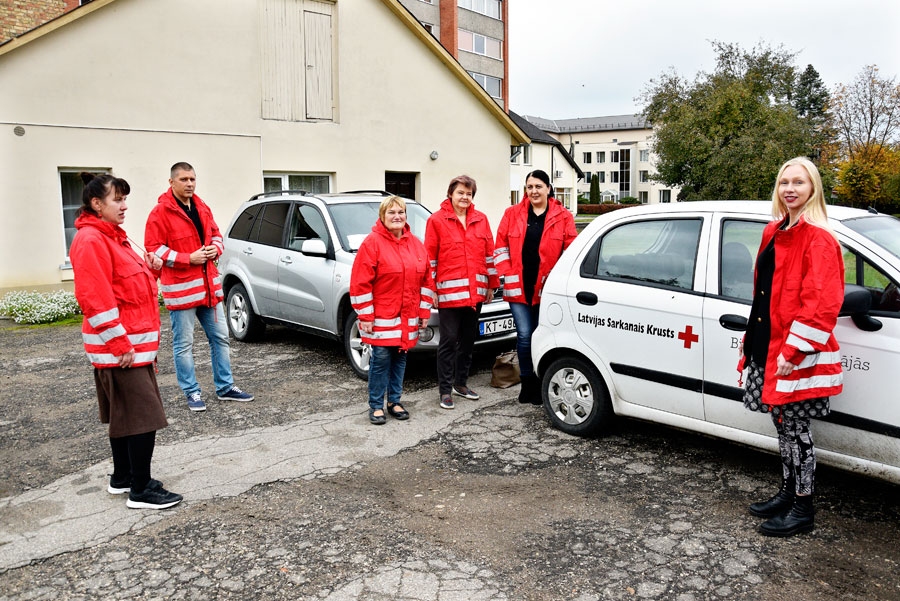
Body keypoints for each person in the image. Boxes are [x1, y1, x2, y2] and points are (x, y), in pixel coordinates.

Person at [739, 156, 844, 537]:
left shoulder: (819, 239)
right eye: (785, 182)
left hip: (793, 353)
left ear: (812, 188)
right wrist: (751, 342)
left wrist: (793, 352)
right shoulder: (773, 231)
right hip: (768, 345)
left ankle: (803, 507)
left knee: (797, 431)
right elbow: (763, 293)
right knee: (782, 427)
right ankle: (787, 493)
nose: (790, 189)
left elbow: (821, 304)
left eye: (798, 182)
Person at [69, 172, 183, 510]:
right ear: (96, 204)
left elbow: (128, 288)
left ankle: (122, 478)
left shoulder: (114, 238)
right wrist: (121, 346)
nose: (124, 206)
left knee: (123, 416)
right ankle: (141, 488)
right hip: (122, 351)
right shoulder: (92, 240)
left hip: (131, 348)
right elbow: (95, 299)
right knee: (142, 418)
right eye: (117, 200)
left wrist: (154, 269)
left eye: (124, 198)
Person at [145, 162, 254, 412]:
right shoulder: (159, 213)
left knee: (221, 338)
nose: (190, 184)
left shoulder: (202, 206)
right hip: (182, 292)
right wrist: (187, 258)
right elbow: (154, 248)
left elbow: (217, 235)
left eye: (192, 179)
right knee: (184, 345)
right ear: (171, 182)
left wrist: (215, 248)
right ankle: (192, 392)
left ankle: (225, 387)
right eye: (184, 179)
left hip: (209, 291)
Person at [494, 169, 577, 405]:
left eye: (538, 186)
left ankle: (543, 383)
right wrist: (507, 272)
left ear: (548, 188)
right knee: (524, 336)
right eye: (529, 187)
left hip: (547, 289)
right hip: (518, 287)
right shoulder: (512, 214)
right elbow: (500, 247)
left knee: (545, 337)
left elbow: (570, 252)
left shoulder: (563, 217)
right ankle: (527, 383)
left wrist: (558, 279)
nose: (533, 191)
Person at [350, 196, 435, 425]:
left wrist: (424, 312)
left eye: (401, 212)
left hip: (408, 316)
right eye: (391, 213)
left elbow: (427, 280)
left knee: (401, 358)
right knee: (381, 360)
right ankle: (376, 405)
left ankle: (394, 401)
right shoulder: (372, 243)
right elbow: (360, 284)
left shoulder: (415, 243)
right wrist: (365, 316)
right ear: (382, 216)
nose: (397, 216)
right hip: (382, 317)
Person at [425, 175, 499, 410]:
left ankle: (461, 384)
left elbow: (490, 255)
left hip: (474, 295)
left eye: (468, 194)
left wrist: (491, 284)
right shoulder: (437, 221)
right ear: (450, 194)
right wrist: (431, 290)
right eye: (460, 193)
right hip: (448, 295)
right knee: (448, 341)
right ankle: (445, 390)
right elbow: (430, 258)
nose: (465, 197)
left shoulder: (481, 220)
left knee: (467, 341)